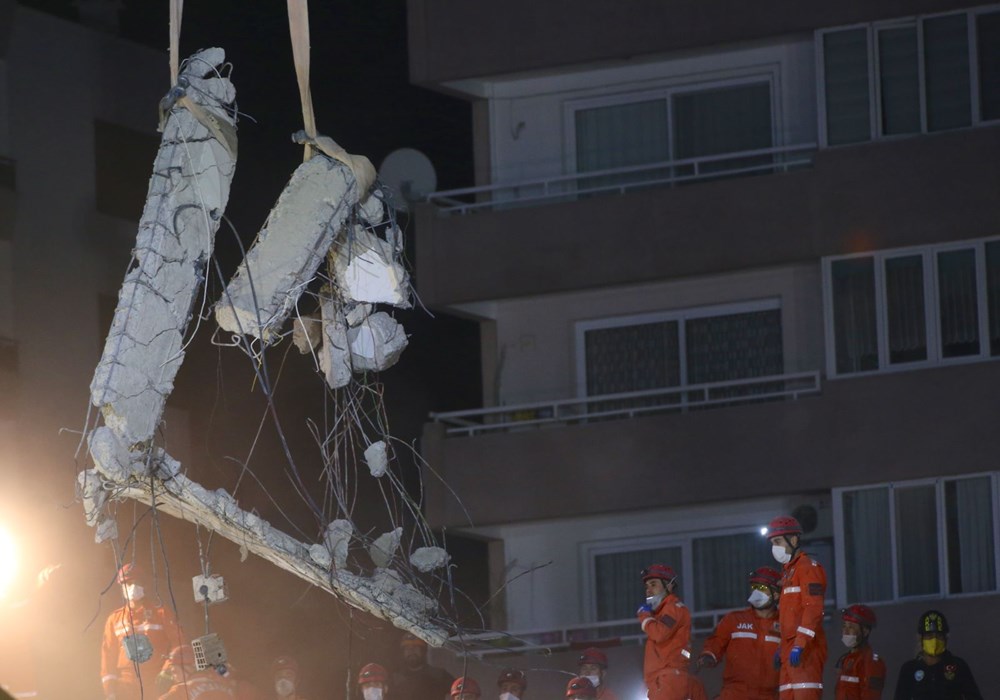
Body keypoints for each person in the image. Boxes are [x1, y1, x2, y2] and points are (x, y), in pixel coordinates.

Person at [101, 562, 185, 700]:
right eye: (127, 584)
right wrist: (110, 690)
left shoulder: (161, 613)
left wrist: (166, 671)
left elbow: (179, 643)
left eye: (136, 582)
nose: (132, 587)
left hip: (156, 682)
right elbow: (108, 655)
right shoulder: (114, 619)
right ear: (122, 587)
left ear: (144, 585)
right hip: (125, 686)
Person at [697, 566, 781, 699]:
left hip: (770, 695)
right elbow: (716, 641)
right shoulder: (734, 619)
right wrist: (709, 654)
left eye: (762, 588)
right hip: (735, 693)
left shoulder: (785, 625)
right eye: (754, 587)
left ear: (776, 594)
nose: (756, 592)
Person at [767, 515, 827, 699]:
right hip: (790, 649)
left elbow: (813, 608)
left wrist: (799, 644)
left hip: (805, 651)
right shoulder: (788, 573)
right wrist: (782, 645)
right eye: (772, 543)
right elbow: (789, 614)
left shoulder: (808, 568)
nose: (774, 547)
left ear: (793, 539)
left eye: (777, 541)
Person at [892, 610, 982, 699]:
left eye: (939, 635)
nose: (934, 640)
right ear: (920, 638)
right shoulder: (909, 669)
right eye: (929, 636)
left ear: (946, 638)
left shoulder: (958, 666)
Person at [636, 564, 695, 700]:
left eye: (653, 584)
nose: (648, 591)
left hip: (668, 679)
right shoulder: (661, 613)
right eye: (647, 587)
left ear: (669, 586)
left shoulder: (674, 608)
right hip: (661, 679)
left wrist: (644, 616)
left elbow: (659, 633)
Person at [835, 604, 886, 699]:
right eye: (844, 626)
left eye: (851, 627)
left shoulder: (872, 663)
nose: (845, 631)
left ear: (865, 631)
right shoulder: (846, 660)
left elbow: (871, 696)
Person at [157, 644, 236, 699]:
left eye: (175, 671)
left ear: (189, 668)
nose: (173, 677)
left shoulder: (180, 691)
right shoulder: (227, 685)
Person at [392, 633, 453, 700]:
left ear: (423, 651)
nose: (411, 651)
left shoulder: (439, 675)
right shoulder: (395, 679)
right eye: (407, 648)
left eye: (415, 647)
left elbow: (459, 692)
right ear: (403, 652)